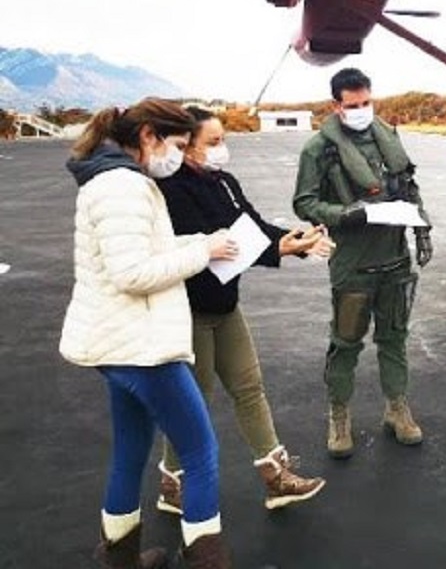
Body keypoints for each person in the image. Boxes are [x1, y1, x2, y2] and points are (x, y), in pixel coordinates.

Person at [61, 99, 237, 569]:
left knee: (130, 452)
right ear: (147, 137)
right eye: (177, 145)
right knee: (200, 454)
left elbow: (145, 249)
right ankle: (207, 561)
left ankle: (121, 556)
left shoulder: (111, 179)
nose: (178, 156)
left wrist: (202, 243)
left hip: (117, 342)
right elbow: (133, 272)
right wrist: (204, 254)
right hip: (141, 346)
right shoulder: (124, 186)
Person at [154, 106, 327, 514]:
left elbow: (252, 227)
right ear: (186, 146)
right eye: (212, 143)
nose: (221, 149)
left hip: (226, 307)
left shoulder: (223, 182)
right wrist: (278, 249)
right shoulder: (170, 192)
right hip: (190, 311)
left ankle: (276, 477)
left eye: (223, 140)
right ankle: (172, 486)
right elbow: (217, 246)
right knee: (192, 400)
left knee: (250, 388)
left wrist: (297, 239)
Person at [293, 67, 433, 459]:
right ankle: (339, 414)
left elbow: (409, 186)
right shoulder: (318, 149)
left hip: (394, 258)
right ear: (336, 106)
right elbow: (303, 202)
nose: (361, 110)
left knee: (394, 339)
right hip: (353, 263)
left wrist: (422, 229)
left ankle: (397, 407)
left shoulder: (387, 135)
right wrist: (344, 215)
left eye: (366, 102)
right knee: (346, 343)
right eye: (352, 105)